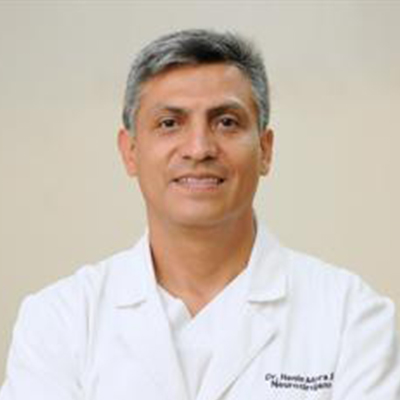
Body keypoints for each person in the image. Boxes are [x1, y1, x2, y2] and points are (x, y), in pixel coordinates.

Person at [0, 29, 399, 400]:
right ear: (130, 151)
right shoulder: (61, 319)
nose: (199, 148)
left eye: (226, 122)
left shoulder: (351, 316)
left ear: (265, 149)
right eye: (169, 123)